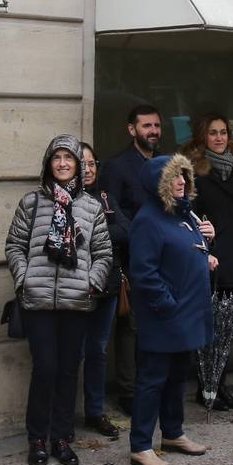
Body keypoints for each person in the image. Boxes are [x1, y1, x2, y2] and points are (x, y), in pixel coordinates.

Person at [7, 134, 113, 465]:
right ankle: (37, 438)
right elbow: (14, 246)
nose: (63, 164)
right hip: (38, 301)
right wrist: (24, 280)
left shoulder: (92, 207)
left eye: (69, 158)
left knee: (69, 371)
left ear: (78, 166)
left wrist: (90, 283)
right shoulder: (32, 203)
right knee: (45, 368)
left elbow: (103, 254)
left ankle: (62, 438)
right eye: (57, 158)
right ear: (48, 164)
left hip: (76, 302)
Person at [128, 152, 217, 465]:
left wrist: (206, 256)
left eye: (184, 176)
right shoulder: (148, 220)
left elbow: (185, 254)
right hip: (165, 316)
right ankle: (140, 444)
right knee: (152, 380)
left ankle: (173, 433)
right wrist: (167, 305)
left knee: (178, 377)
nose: (181, 181)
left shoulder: (184, 214)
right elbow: (144, 272)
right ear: (158, 184)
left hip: (187, 313)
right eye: (174, 177)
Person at [90, 104, 164, 433]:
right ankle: (129, 392)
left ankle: (153, 387)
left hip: (165, 259)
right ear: (131, 130)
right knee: (130, 329)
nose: (153, 131)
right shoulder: (117, 167)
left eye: (157, 125)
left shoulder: (167, 165)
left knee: (157, 324)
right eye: (146, 125)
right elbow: (112, 217)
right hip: (132, 258)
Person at [181, 115, 233, 406]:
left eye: (223, 132)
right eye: (213, 133)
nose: (219, 138)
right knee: (212, 326)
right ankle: (208, 386)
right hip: (213, 255)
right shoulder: (196, 172)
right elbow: (191, 212)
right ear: (203, 137)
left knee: (231, 325)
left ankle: (221, 385)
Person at [80, 141, 125, 439]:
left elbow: (126, 231)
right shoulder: (60, 200)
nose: (87, 169)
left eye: (92, 163)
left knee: (97, 350)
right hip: (74, 289)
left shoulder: (106, 197)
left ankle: (95, 411)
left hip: (107, 286)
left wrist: (95, 232)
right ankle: (59, 417)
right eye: (81, 163)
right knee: (69, 354)